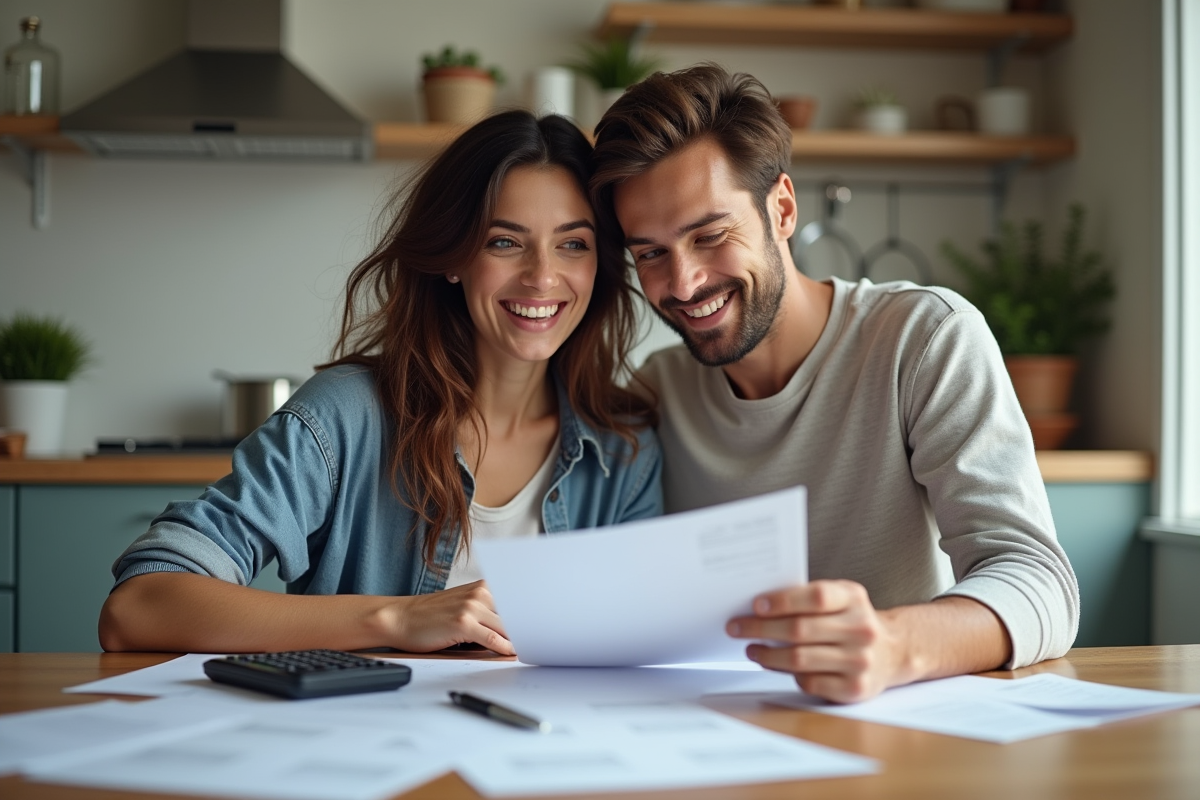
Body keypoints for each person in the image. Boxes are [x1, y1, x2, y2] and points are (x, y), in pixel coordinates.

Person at [589, 64, 1079, 703]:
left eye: (710, 236)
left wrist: (893, 644)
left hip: (906, 737)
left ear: (783, 209)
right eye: (650, 253)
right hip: (723, 735)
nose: (682, 283)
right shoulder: (659, 393)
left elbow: (1039, 581)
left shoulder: (922, 339)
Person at [99, 110, 661, 655]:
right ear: (455, 257)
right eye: (504, 241)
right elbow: (137, 608)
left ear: (599, 265)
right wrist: (394, 618)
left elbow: (645, 641)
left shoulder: (625, 450)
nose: (542, 276)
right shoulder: (345, 419)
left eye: (573, 243)